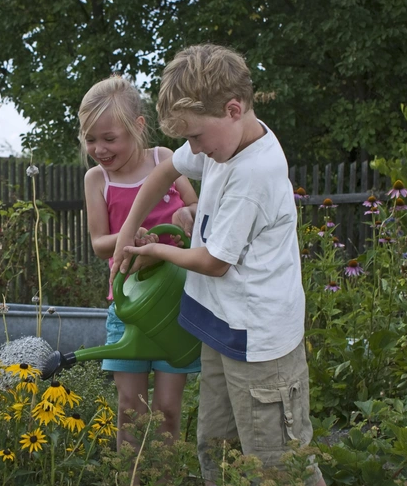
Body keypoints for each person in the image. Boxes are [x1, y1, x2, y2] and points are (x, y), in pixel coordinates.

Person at [110, 45, 325, 485]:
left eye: (195, 137)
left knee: (278, 465)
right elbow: (166, 171)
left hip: (260, 344)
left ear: (233, 109)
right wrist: (129, 229)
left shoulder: (254, 173)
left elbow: (213, 262)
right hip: (222, 327)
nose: (192, 149)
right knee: (218, 451)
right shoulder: (220, 145)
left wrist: (154, 251)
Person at [79, 75, 201, 452]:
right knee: (130, 407)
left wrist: (187, 216)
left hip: (175, 305)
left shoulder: (165, 160)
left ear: (138, 127)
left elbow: (197, 210)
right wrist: (133, 234)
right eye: (91, 139)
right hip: (128, 307)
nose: (99, 148)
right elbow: (101, 244)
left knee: (167, 409)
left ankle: (162, 479)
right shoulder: (96, 179)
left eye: (109, 138)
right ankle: (128, 477)